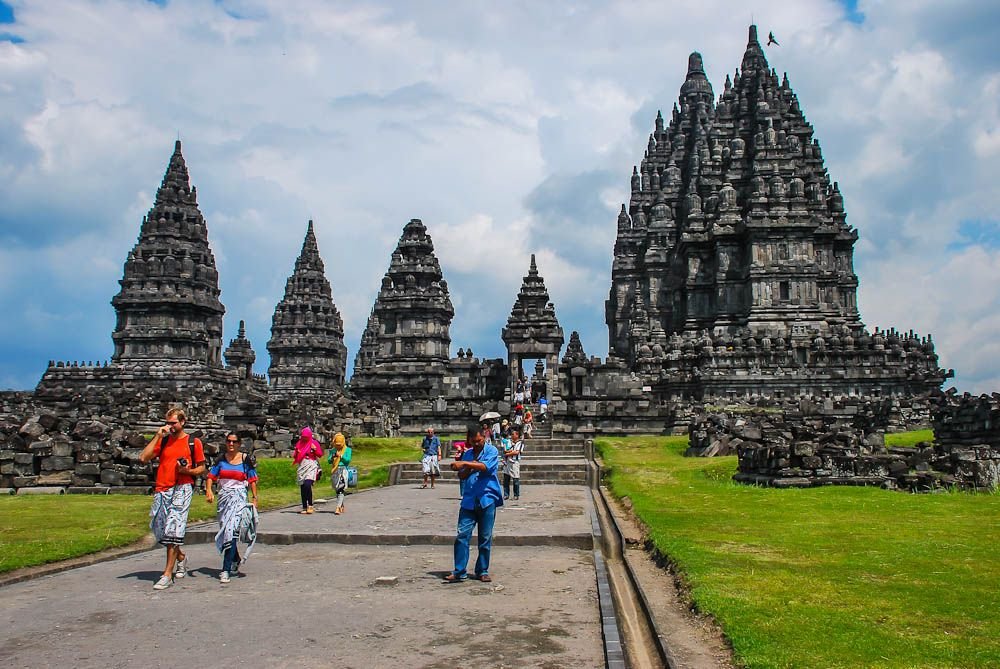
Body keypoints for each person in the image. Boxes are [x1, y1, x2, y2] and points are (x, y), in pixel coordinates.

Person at [138, 407, 206, 590]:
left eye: (173, 423)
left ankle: (167, 573)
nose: (170, 426)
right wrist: (158, 436)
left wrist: (187, 471)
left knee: (173, 530)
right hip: (162, 487)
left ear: (182, 422)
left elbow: (202, 468)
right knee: (160, 530)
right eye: (168, 423)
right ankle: (181, 557)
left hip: (182, 488)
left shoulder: (193, 442)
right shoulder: (164, 440)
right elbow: (144, 457)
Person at [444, 423, 504, 583]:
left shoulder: (491, 451)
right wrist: (463, 466)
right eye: (474, 441)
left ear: (484, 437)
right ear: (469, 440)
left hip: (486, 499)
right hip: (469, 500)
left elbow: (486, 467)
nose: (478, 444)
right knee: (462, 535)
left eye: (480, 440)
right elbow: (462, 476)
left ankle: (482, 570)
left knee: (485, 537)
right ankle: (459, 570)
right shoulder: (468, 453)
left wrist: (465, 464)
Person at [206, 432, 259, 584]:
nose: (230, 444)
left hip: (239, 499)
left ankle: (225, 569)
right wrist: (209, 490)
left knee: (231, 530)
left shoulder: (244, 459)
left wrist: (255, 498)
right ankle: (235, 558)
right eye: (228, 441)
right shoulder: (221, 460)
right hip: (224, 498)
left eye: (234, 442)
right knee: (226, 530)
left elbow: (252, 479)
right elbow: (211, 476)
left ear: (238, 444)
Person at [292, 427, 323, 514]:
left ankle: (310, 505)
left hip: (311, 465)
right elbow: (295, 456)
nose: (304, 439)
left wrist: (315, 449)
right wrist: (297, 452)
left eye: (306, 437)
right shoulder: (299, 443)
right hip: (302, 465)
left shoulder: (314, 443)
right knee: (302, 486)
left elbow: (320, 454)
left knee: (307, 484)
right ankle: (304, 506)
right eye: (303, 437)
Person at [329, 432, 351, 514]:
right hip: (335, 470)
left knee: (341, 489)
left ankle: (338, 507)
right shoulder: (333, 450)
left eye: (339, 444)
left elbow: (347, 460)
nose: (338, 446)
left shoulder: (348, 450)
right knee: (337, 489)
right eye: (336, 444)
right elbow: (329, 461)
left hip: (342, 470)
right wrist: (333, 456)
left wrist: (341, 456)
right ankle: (341, 504)